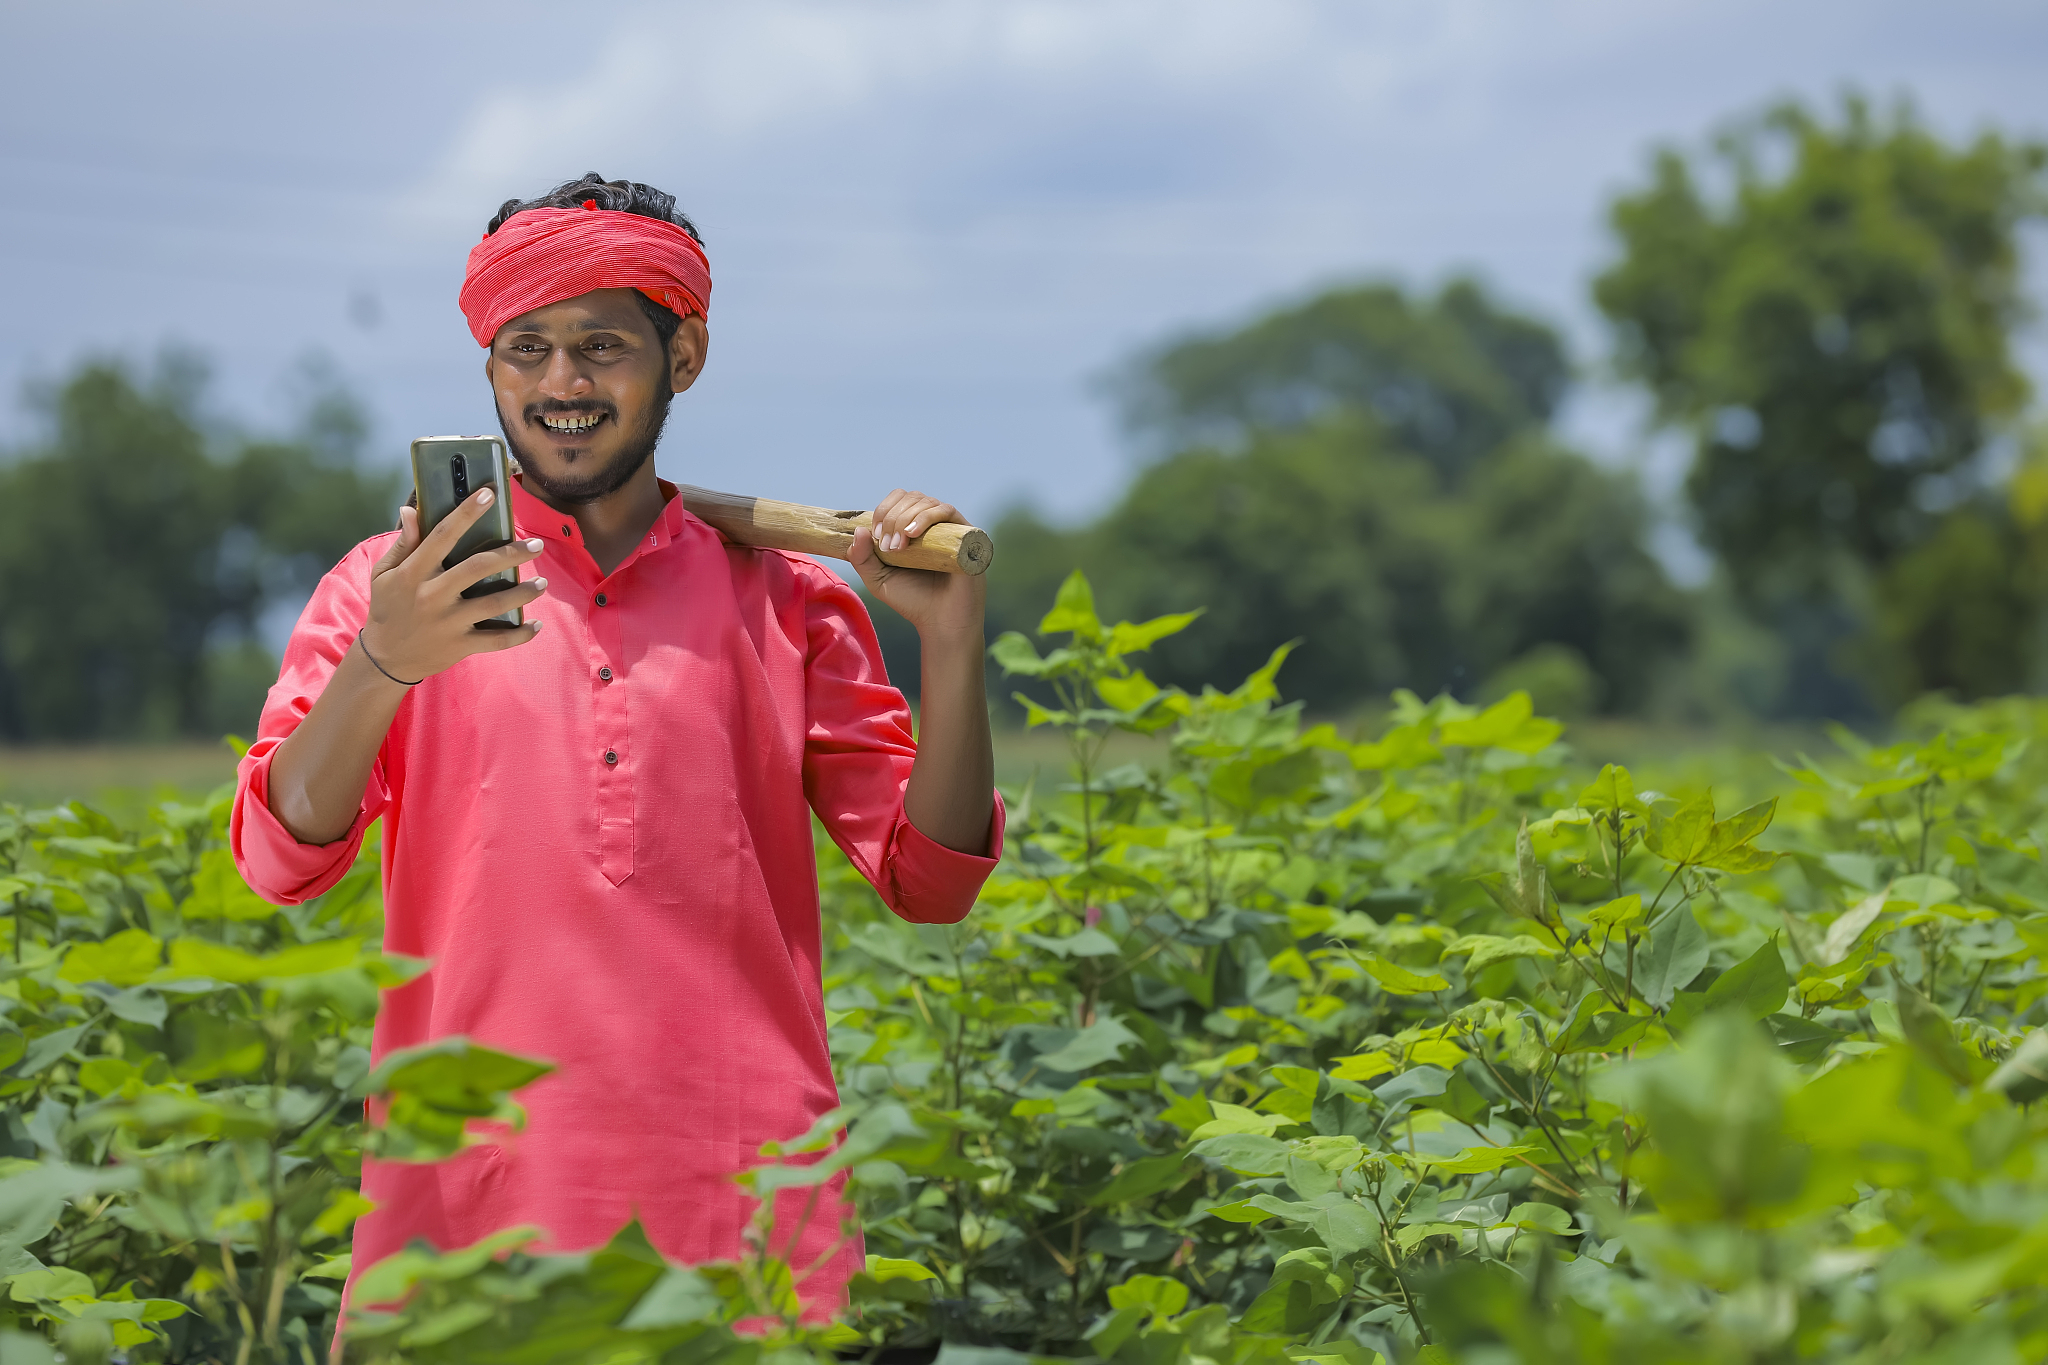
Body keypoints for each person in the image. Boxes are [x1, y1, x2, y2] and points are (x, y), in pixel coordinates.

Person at [229, 173, 1001, 1329]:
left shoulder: (788, 601)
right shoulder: (389, 593)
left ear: (682, 356)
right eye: (525, 349)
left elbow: (931, 883)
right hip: (462, 1238)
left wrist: (948, 643)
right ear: (489, 367)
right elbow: (276, 859)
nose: (562, 384)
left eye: (601, 346)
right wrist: (385, 662)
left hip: (752, 1233)